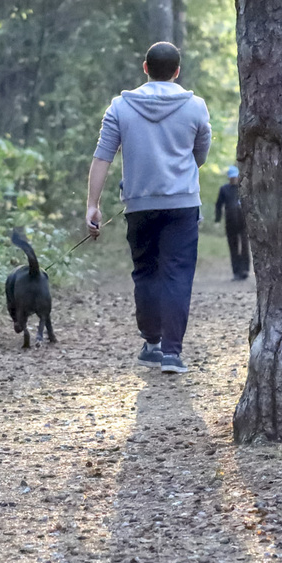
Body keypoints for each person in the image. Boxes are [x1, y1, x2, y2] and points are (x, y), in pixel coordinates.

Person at [85, 42, 212, 374]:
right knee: (177, 275)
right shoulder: (196, 106)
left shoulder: (120, 107)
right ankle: (172, 353)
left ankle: (151, 343)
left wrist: (92, 206)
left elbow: (103, 156)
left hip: (139, 205)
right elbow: (201, 155)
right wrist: (180, 170)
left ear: (145, 68)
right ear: (177, 71)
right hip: (183, 203)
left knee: (146, 273)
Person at [214, 166, 250, 280]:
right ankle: (236, 271)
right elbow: (219, 205)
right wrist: (217, 219)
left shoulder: (244, 188)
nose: (234, 179)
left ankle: (245, 269)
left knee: (244, 245)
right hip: (230, 222)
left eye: (235, 177)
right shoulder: (224, 189)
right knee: (233, 246)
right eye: (232, 177)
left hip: (244, 221)